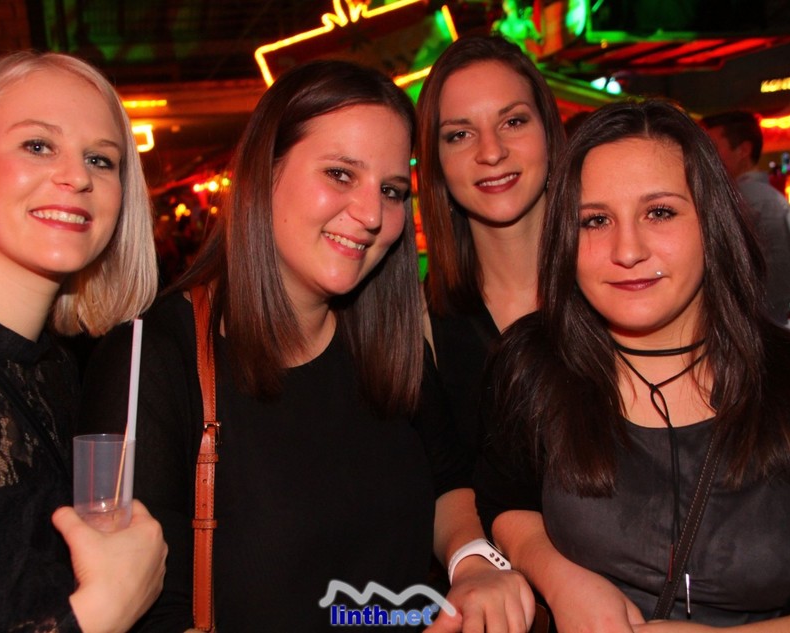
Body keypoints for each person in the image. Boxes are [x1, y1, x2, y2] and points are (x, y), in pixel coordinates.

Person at [79, 59, 534, 632]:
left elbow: (448, 480)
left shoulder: (385, 337)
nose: (372, 214)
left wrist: (474, 563)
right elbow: (140, 608)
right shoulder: (151, 358)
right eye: (341, 174)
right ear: (263, 173)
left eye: (391, 190)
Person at [475, 99, 790, 629]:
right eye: (595, 220)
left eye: (659, 212)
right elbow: (504, 498)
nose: (627, 250)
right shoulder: (533, 365)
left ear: (712, 222)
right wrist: (559, 576)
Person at [0, 51, 167, 631]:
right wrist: (101, 612)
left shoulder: (58, 371)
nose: (78, 177)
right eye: (37, 145)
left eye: (101, 159)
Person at [416, 34, 565, 469]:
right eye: (460, 134)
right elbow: (447, 483)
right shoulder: (422, 322)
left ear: (548, 133)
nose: (492, 152)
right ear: (437, 164)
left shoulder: (621, 280)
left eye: (513, 121)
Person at [702, 110, 790, 329]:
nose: (704, 157)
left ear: (743, 150)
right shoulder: (767, 200)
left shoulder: (747, 201)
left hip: (756, 331)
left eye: (712, 147)